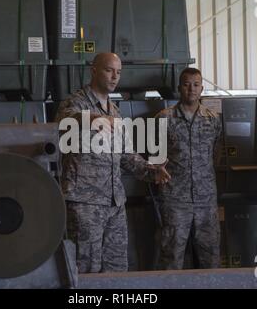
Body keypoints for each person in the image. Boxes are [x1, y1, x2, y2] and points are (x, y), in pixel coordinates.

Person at [55, 52, 171, 273]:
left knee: (116, 268)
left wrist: (151, 171)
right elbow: (63, 122)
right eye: (109, 70)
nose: (114, 77)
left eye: (118, 72)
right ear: (94, 70)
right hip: (84, 202)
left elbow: (126, 154)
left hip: (114, 202)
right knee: (85, 268)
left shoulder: (115, 111)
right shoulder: (76, 102)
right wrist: (94, 118)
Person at [155, 67, 222, 270]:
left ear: (202, 88)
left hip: (206, 201)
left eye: (196, 84)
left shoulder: (213, 119)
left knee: (210, 259)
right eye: (186, 84)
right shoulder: (163, 119)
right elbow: (154, 158)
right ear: (179, 88)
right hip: (175, 200)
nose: (191, 89)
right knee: (172, 258)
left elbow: (216, 154)